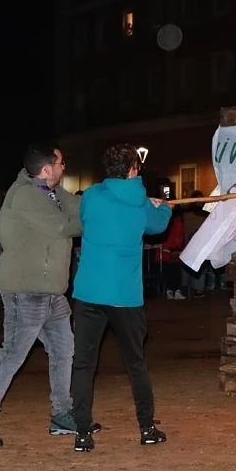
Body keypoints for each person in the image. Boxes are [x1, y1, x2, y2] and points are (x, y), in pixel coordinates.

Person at [0, 144, 100, 450]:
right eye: (61, 163)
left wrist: (108, 204)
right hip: (25, 291)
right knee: (12, 355)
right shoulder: (26, 195)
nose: (63, 167)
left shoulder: (52, 192)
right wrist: (96, 219)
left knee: (64, 351)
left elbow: (78, 206)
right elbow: (64, 225)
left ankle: (61, 414)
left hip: (52, 291)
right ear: (46, 169)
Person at [71, 143, 172, 453]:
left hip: (88, 291)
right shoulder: (141, 203)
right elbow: (158, 226)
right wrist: (164, 206)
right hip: (124, 296)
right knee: (136, 364)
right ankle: (146, 428)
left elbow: (88, 218)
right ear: (133, 169)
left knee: (84, 364)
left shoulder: (90, 196)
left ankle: (83, 433)